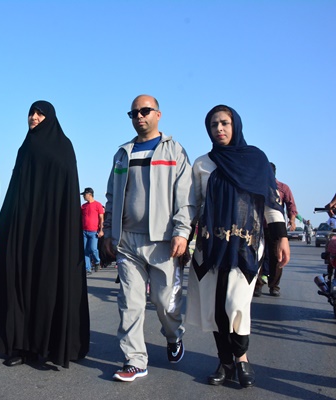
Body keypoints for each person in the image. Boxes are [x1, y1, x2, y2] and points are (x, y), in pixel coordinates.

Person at [0, 100, 90, 369]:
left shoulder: (64, 147)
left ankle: (49, 346)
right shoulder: (25, 148)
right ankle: (21, 346)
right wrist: (4, 222)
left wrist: (65, 230)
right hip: (24, 229)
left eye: (40, 113)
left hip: (52, 232)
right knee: (20, 284)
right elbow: (15, 188)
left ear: (50, 117)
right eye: (31, 113)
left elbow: (67, 192)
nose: (34, 117)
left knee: (47, 286)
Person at [187, 105, 290, 389]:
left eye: (224, 123)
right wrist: (183, 237)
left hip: (245, 246)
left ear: (236, 125)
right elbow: (194, 205)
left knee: (236, 304)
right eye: (213, 125)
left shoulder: (256, 160)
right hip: (210, 247)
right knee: (215, 308)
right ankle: (225, 362)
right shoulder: (203, 164)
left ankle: (242, 358)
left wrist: (281, 237)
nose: (219, 129)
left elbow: (271, 202)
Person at [103, 94, 194, 382]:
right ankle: (135, 360)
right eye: (134, 113)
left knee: (164, 301)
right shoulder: (123, 153)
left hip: (163, 242)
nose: (139, 116)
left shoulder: (174, 151)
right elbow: (112, 196)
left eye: (145, 111)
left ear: (158, 114)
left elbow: (186, 197)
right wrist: (109, 230)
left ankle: (173, 335)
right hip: (127, 241)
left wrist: (182, 232)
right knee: (130, 302)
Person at [254, 162, 298, 297]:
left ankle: (274, 286)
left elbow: (291, 205)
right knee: (258, 256)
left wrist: (292, 220)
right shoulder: (256, 186)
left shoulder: (283, 188)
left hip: (275, 228)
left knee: (276, 257)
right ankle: (258, 285)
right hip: (258, 227)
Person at [81, 187, 104, 275]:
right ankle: (88, 268)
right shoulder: (83, 206)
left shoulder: (98, 205)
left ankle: (97, 261)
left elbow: (101, 218)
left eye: (84, 195)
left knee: (93, 248)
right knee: (85, 250)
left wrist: (101, 230)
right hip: (84, 231)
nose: (83, 196)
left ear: (89, 194)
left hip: (94, 231)